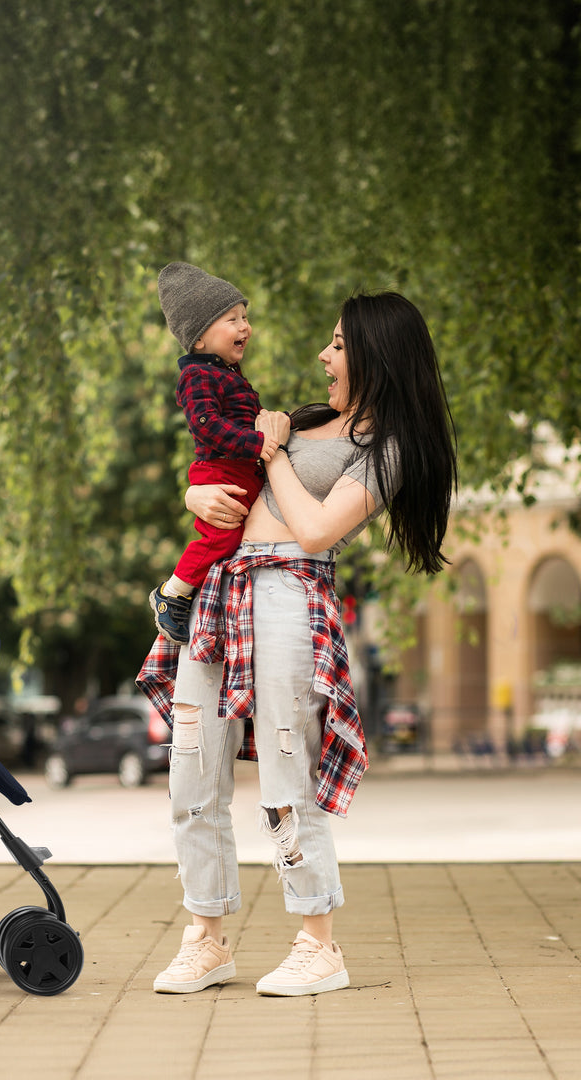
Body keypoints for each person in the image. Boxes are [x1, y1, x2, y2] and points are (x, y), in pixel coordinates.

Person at [138, 290, 456, 997]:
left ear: (377, 353)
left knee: (286, 768)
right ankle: (206, 937)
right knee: (192, 768)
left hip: (290, 593)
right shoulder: (308, 420)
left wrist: (273, 449)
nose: (323, 355)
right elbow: (228, 474)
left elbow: (315, 529)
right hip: (221, 590)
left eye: (339, 345)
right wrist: (196, 497)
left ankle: (319, 943)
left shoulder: (386, 448)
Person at [148, 262, 280, 645]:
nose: (244, 327)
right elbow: (206, 425)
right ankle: (172, 593)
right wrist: (256, 444)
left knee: (231, 537)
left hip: (238, 470)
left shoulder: (225, 372)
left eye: (245, 317)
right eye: (232, 319)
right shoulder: (197, 376)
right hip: (220, 471)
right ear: (200, 339)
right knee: (218, 539)